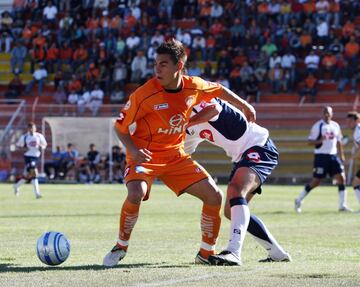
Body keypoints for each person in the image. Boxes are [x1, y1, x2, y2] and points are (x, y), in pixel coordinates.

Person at [103, 39, 255, 267]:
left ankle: (205, 254)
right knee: (136, 192)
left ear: (179, 65)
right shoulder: (143, 94)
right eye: (156, 63)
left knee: (214, 196)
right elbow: (120, 127)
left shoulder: (193, 86)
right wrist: (133, 151)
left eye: (163, 64)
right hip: (145, 156)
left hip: (175, 156)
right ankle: (120, 246)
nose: (157, 69)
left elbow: (219, 89)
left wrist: (244, 104)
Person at [184, 98, 291, 266]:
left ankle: (233, 252)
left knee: (236, 190)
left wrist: (185, 123)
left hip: (259, 145)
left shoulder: (197, 96)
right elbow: (183, 152)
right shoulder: (181, 119)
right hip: (243, 156)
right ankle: (277, 253)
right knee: (229, 211)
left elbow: (213, 110)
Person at [294, 106, 351, 213]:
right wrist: (320, 140)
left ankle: (342, 205)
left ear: (332, 114)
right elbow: (310, 141)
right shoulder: (318, 126)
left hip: (333, 156)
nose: (326, 114)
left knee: (342, 178)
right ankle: (298, 200)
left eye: (328, 113)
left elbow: (339, 141)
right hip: (321, 156)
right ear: (322, 113)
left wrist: (341, 155)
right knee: (316, 181)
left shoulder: (335, 125)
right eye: (325, 112)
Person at [13, 122, 47, 199]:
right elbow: (18, 146)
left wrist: (41, 147)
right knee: (34, 173)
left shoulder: (39, 136)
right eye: (30, 128)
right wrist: (24, 149)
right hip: (28, 157)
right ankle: (37, 194)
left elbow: (44, 144)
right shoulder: (24, 137)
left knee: (27, 176)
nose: (32, 129)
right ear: (28, 129)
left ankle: (16, 186)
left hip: (36, 157)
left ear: (35, 128)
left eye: (33, 128)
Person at [346, 111, 360, 211]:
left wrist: (351, 158)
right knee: (355, 182)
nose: (348, 123)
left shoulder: (358, 131)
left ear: (357, 121)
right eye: (347, 121)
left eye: (350, 121)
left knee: (355, 182)